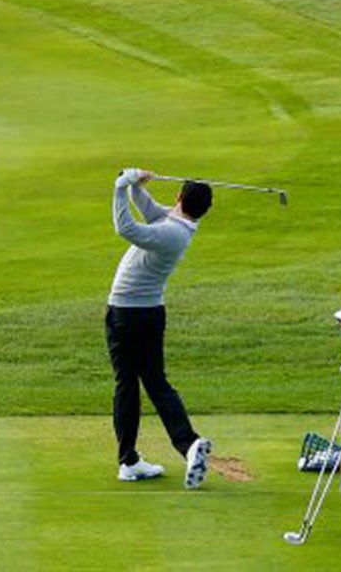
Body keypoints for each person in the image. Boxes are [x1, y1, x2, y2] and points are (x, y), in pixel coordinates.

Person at [106, 167, 213, 487]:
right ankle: (183, 445)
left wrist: (120, 187)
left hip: (127, 314)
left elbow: (124, 227)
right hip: (148, 313)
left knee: (127, 384)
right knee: (154, 381)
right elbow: (152, 210)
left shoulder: (172, 232)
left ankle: (131, 460)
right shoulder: (180, 222)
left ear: (179, 197)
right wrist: (137, 186)